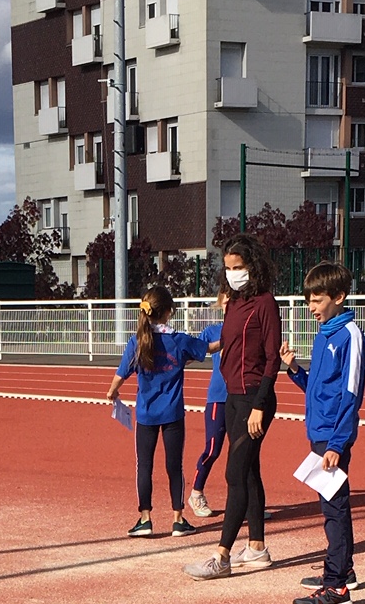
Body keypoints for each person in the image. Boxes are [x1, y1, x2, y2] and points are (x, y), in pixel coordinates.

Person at [185, 235, 282, 580]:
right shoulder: (234, 303)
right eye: (227, 268)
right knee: (250, 473)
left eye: (238, 267)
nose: (232, 274)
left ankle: (222, 556)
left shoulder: (265, 303)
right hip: (230, 396)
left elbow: (272, 359)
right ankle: (257, 548)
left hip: (255, 398)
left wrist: (259, 405)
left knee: (234, 474)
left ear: (252, 266)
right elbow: (227, 342)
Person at [278, 261, 365, 604]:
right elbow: (319, 388)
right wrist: (295, 369)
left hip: (333, 437)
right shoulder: (325, 332)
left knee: (335, 508)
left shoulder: (350, 335)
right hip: (320, 432)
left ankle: (337, 587)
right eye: (309, 301)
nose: (311, 308)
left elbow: (351, 393)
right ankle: (341, 569)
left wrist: (336, 444)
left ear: (339, 297)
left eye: (317, 300)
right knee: (330, 506)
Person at [106, 284, 209, 537]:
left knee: (144, 465)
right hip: (173, 414)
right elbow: (207, 348)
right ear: (168, 312)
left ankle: (145, 519)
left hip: (146, 414)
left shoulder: (137, 341)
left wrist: (112, 393)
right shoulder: (179, 341)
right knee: (175, 466)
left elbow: (120, 376)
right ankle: (178, 519)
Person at [187, 285, 232, 520]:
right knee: (213, 449)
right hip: (218, 398)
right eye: (227, 302)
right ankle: (196, 493)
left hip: (242, 398)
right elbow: (189, 353)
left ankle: (246, 502)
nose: (231, 306)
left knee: (242, 452)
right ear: (221, 304)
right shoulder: (212, 331)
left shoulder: (248, 330)